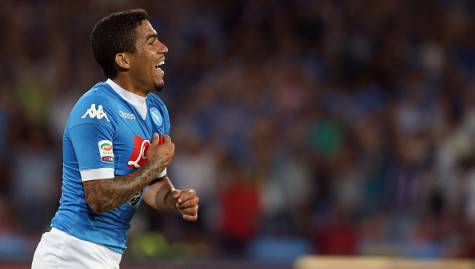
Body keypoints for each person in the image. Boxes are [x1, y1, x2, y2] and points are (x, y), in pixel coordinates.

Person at [31, 9, 199, 269]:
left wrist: (174, 199)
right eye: (151, 42)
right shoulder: (96, 108)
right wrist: (153, 165)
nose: (164, 48)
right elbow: (99, 198)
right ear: (124, 60)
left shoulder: (156, 111)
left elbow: (150, 186)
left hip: (106, 255)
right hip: (73, 252)